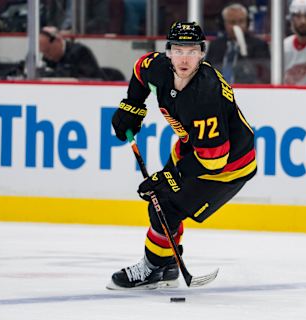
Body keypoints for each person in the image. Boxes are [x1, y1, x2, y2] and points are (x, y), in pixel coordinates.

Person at [107, 21, 257, 289]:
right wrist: (132, 105)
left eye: (191, 50)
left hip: (228, 165)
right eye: (178, 50)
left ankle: (152, 268)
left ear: (202, 53)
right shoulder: (159, 68)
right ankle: (166, 266)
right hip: (193, 149)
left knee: (166, 204)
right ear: (168, 52)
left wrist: (168, 176)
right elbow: (141, 69)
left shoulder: (205, 95)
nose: (184, 58)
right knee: (161, 202)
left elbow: (214, 160)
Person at [206, 3, 270, 84]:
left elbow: (262, 74)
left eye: (241, 21)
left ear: (247, 23)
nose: (237, 26)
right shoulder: (215, 45)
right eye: (232, 22)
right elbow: (207, 71)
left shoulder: (259, 45)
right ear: (224, 24)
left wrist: (243, 50)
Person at [38, 26, 105, 80]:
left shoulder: (80, 52)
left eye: (48, 50)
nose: (46, 55)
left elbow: (90, 79)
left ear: (57, 41)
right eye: (43, 52)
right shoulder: (47, 57)